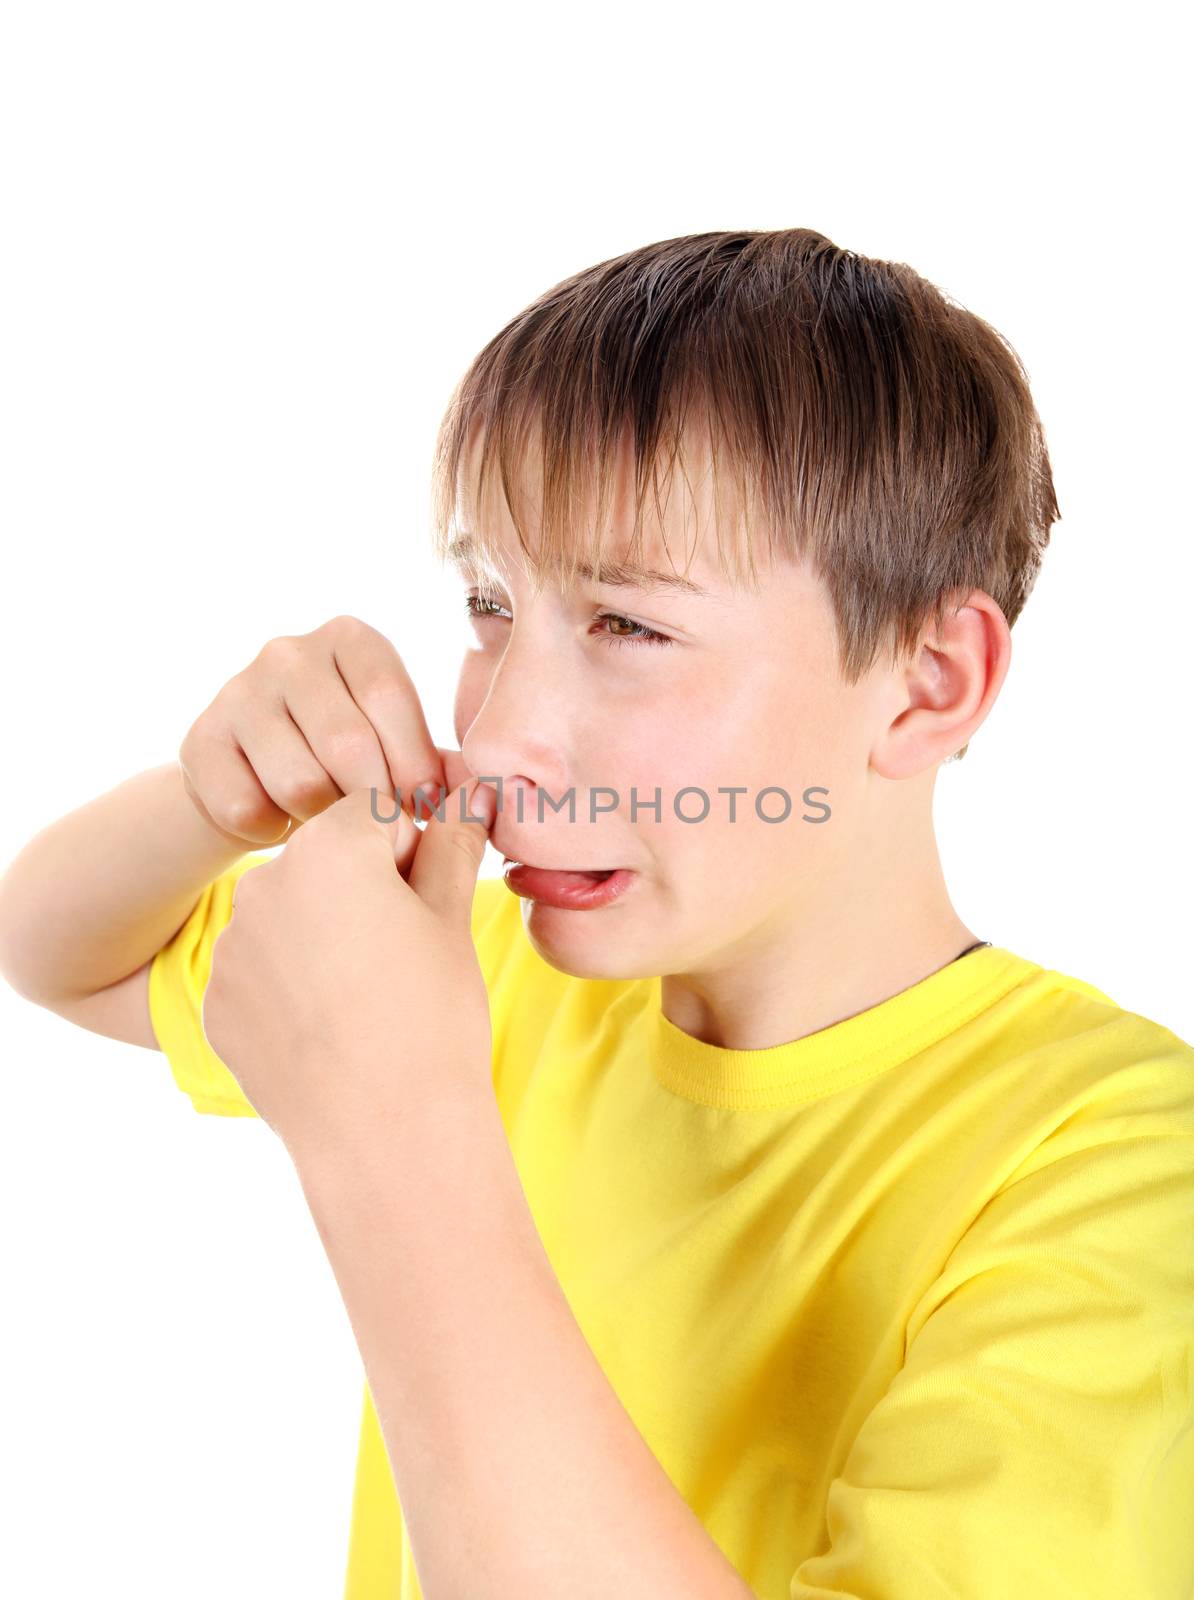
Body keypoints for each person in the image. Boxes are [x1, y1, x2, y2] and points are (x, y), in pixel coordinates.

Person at [1, 227, 1190, 1599]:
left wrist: (391, 1131)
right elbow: (55, 951)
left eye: (627, 626)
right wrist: (213, 801)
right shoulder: (493, 963)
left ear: (928, 682)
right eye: (491, 605)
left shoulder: (1118, 1167)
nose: (500, 734)